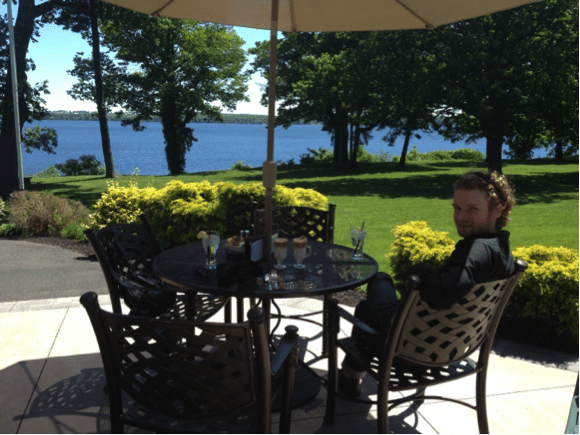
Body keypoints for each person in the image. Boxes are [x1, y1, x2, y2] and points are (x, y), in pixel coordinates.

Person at [339, 170, 517, 397]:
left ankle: (349, 379)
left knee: (380, 279)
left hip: (408, 352)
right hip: (449, 349)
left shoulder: (477, 251)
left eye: (472, 209)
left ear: (498, 209)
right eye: (457, 208)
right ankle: (349, 378)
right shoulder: (502, 252)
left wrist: (420, 269)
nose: (461, 217)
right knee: (365, 309)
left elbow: (439, 294)